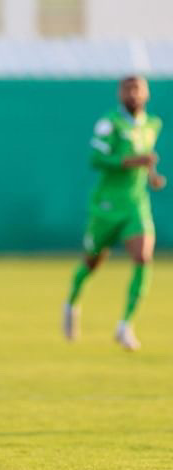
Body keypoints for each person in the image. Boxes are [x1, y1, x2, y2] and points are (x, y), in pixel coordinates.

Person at [63, 75, 166, 350]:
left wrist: (152, 175)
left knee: (143, 256)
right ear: (120, 94)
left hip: (135, 203)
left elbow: (145, 160)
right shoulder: (110, 123)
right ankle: (71, 303)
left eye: (138, 89)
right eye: (128, 90)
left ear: (146, 94)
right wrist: (132, 161)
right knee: (92, 262)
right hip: (107, 205)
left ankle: (126, 325)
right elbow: (95, 159)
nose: (133, 94)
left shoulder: (153, 124)